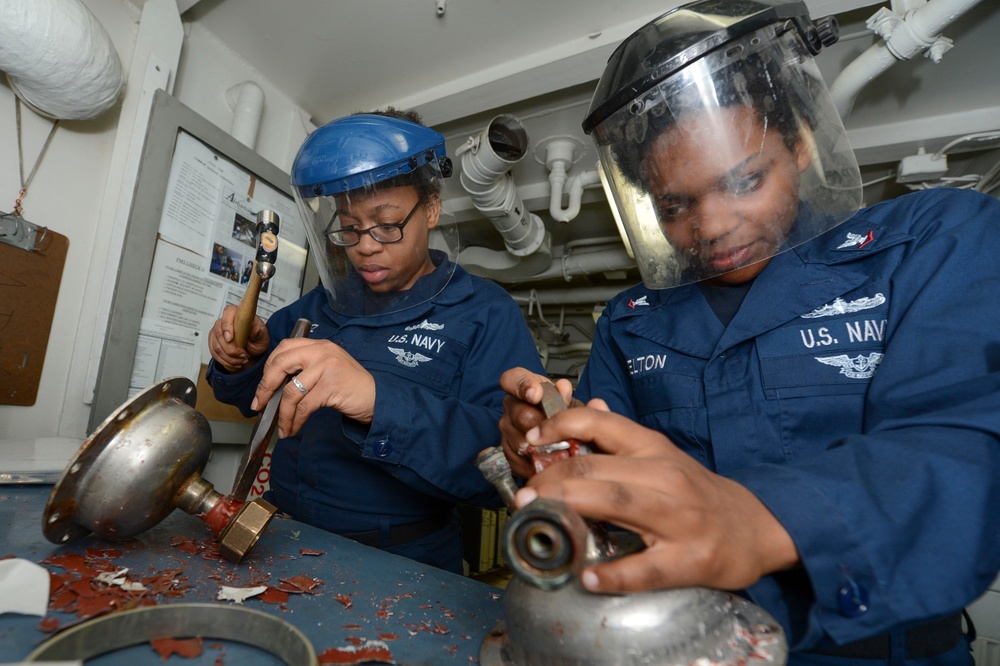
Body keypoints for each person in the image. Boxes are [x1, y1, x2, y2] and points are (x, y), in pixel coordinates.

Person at [498, 1, 1000, 664]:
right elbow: (609, 495)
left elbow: (967, 450)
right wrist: (547, 447)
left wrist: (764, 518)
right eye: (675, 206)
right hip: (684, 640)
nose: (710, 227)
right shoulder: (633, 322)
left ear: (800, 145)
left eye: (744, 181)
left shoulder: (937, 242)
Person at [207, 107, 544, 573]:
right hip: (279, 537)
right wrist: (240, 359)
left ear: (430, 209)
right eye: (348, 227)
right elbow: (248, 399)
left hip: (404, 559)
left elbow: (508, 469)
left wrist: (378, 402)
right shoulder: (319, 305)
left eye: (386, 225)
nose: (364, 245)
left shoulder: (484, 312)